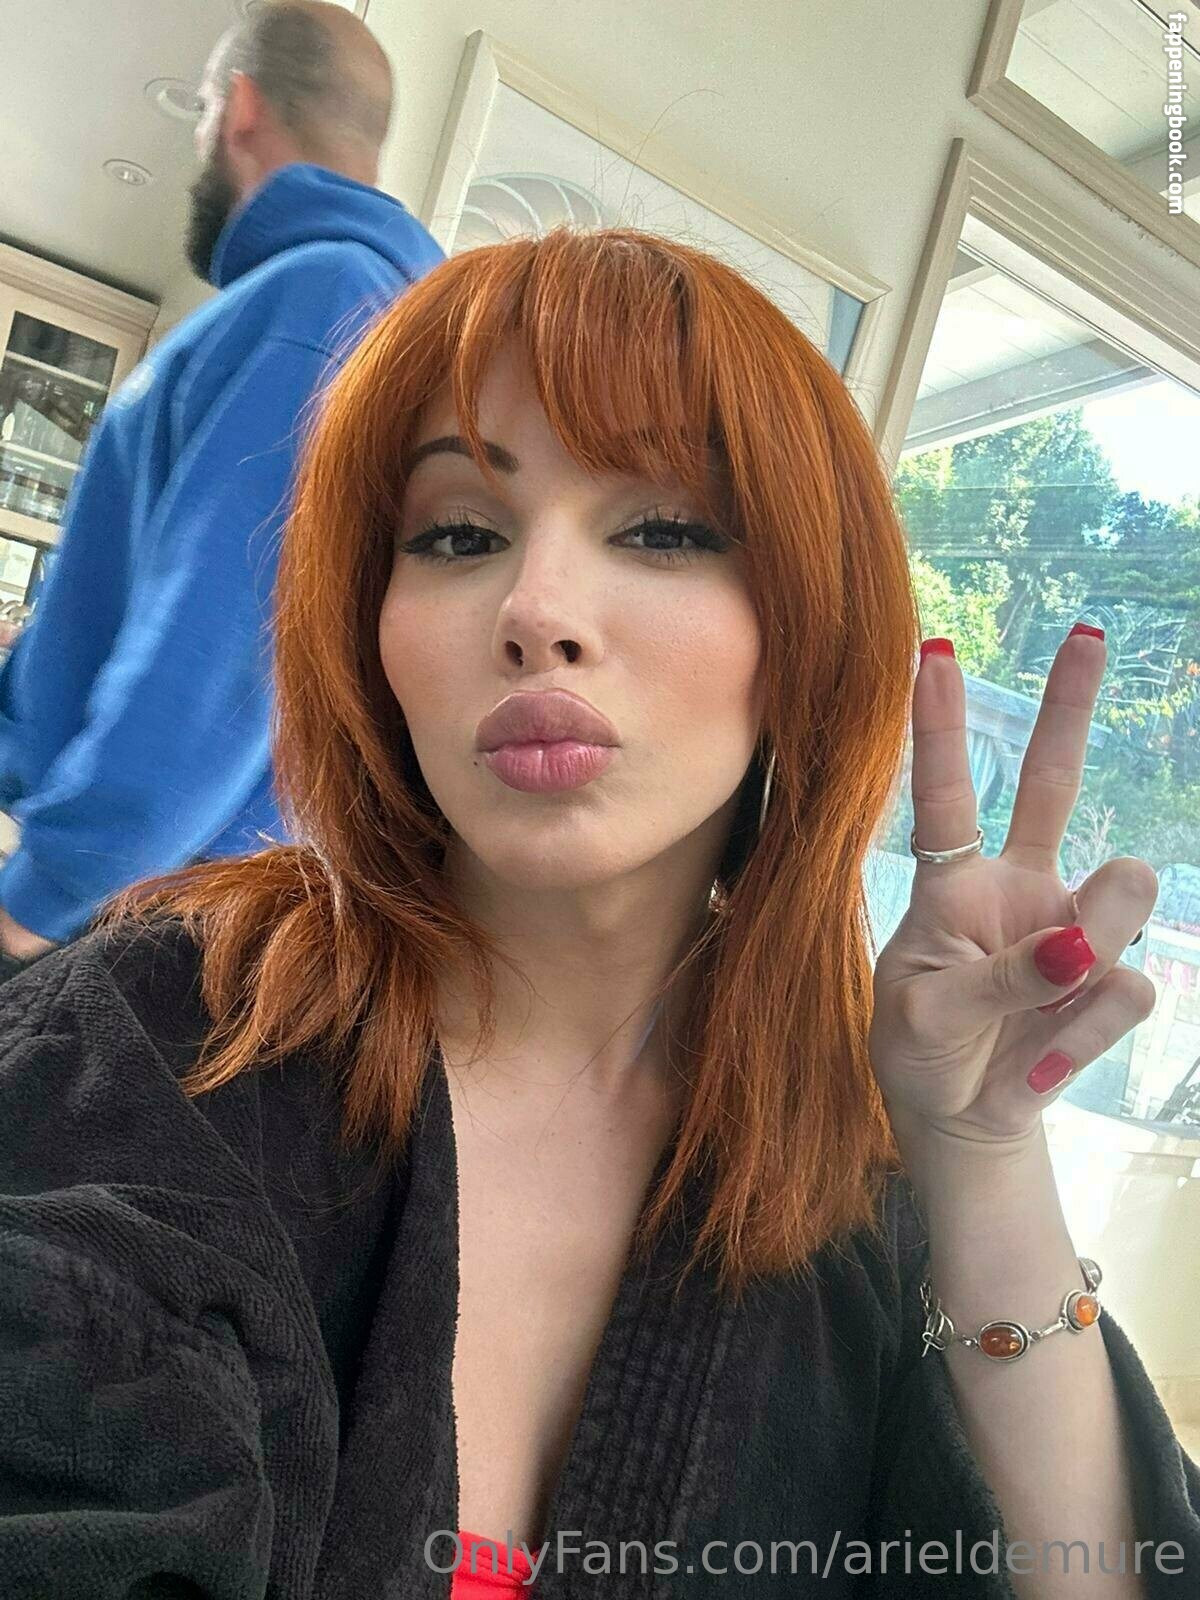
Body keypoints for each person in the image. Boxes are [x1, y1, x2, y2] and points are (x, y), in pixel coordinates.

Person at [0, 224, 1196, 1600]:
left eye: (663, 528)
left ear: (804, 630)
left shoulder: (849, 1195)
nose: (536, 610)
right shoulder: (152, 1046)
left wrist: (980, 1157)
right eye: (457, 534)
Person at [0, 0, 444, 979]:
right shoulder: (319, 301)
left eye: (201, 110)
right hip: (136, 900)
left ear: (238, 109)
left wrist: (34, 901)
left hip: (136, 918)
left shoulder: (323, 302)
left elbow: (222, 650)